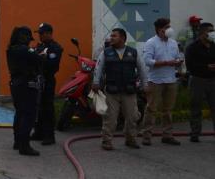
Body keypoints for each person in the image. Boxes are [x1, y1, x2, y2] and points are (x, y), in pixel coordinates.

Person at [91, 28, 148, 150]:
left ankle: (130, 139)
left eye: (114, 36)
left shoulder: (133, 52)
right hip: (112, 91)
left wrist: (145, 85)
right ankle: (107, 141)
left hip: (129, 91)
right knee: (110, 118)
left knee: (132, 117)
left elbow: (142, 69)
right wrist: (95, 82)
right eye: (111, 36)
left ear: (123, 38)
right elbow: (98, 68)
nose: (111, 38)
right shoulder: (105, 53)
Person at [142, 17, 183, 145]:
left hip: (171, 80)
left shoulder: (173, 43)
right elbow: (148, 61)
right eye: (167, 27)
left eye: (169, 26)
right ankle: (146, 136)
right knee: (151, 109)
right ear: (160, 30)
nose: (169, 29)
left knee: (168, 109)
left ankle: (167, 135)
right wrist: (166, 62)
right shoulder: (151, 43)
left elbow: (177, 57)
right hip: (155, 81)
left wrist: (178, 63)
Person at [6, 26, 43, 156]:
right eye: (28, 39)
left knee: (20, 113)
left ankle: (17, 141)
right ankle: (24, 145)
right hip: (26, 85)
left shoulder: (11, 49)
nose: (29, 41)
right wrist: (40, 54)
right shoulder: (24, 50)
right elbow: (39, 60)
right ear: (24, 37)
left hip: (15, 84)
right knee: (28, 115)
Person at [31, 23, 63, 145]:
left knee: (47, 107)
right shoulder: (40, 46)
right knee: (37, 107)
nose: (39, 36)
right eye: (39, 33)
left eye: (41, 33)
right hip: (37, 80)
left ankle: (49, 135)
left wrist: (41, 58)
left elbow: (52, 66)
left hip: (47, 79)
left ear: (49, 33)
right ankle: (38, 132)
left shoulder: (55, 48)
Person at [184, 21, 215, 143]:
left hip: (213, 80)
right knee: (195, 107)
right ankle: (195, 133)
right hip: (198, 80)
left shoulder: (214, 45)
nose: (213, 33)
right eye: (210, 31)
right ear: (202, 33)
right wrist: (207, 67)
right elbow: (190, 65)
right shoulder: (192, 47)